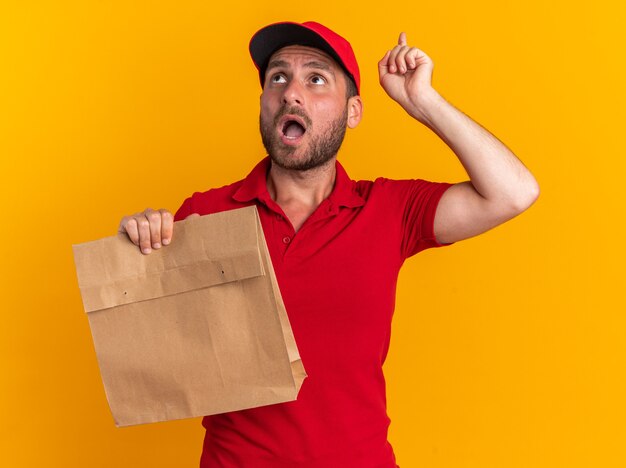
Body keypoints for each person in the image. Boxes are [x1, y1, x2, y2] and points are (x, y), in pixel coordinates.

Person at [119, 21, 538, 468]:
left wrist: (423, 102)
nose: (291, 93)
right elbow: (151, 355)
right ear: (264, 103)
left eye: (315, 79)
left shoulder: (390, 209)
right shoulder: (204, 215)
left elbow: (513, 192)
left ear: (352, 111)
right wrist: (139, 246)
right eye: (277, 77)